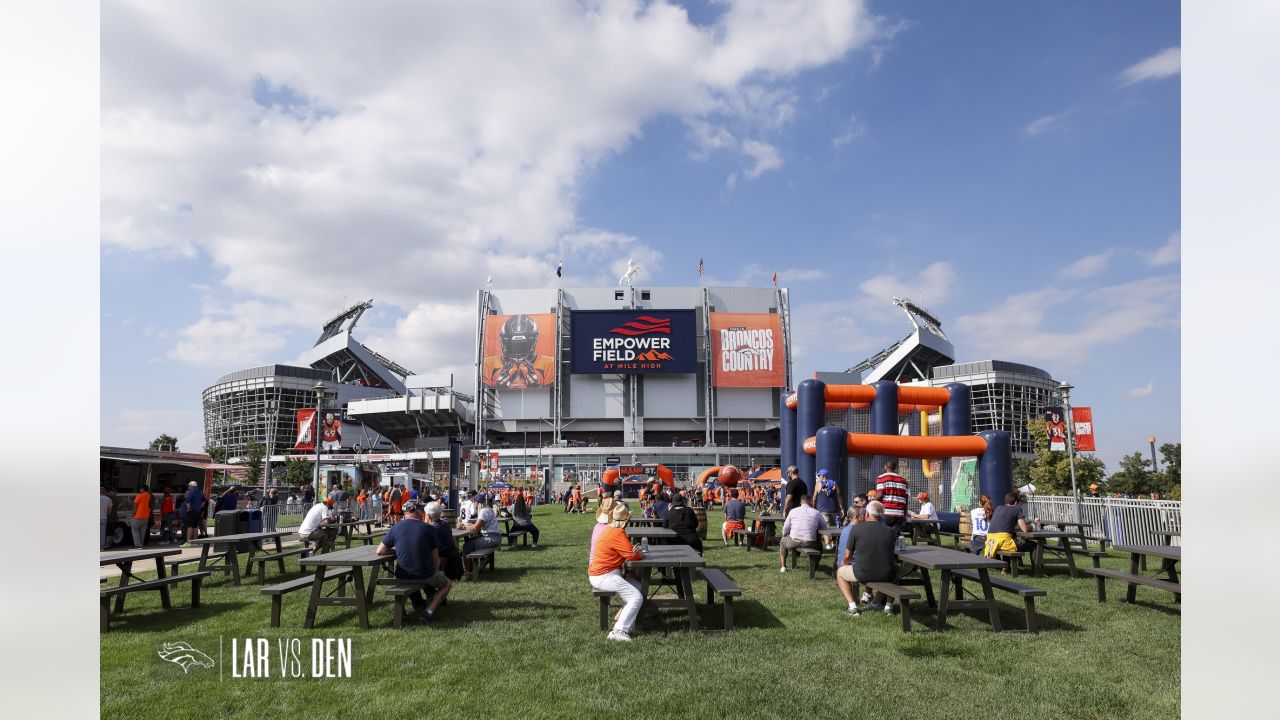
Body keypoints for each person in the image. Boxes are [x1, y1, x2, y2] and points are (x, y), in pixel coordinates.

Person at [377, 499, 452, 621]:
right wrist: (437, 571)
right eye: (421, 509)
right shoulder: (428, 528)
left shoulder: (396, 528)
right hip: (425, 574)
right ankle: (428, 611)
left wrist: (397, 552)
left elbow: (380, 551)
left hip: (402, 575)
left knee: (408, 582)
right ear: (416, 511)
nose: (423, 512)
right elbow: (436, 558)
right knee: (447, 584)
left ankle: (408, 610)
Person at [587, 502, 646, 642]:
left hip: (603, 573)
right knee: (636, 597)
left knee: (637, 585)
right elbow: (631, 556)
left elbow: (625, 550)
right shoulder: (617, 532)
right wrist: (641, 554)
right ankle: (618, 631)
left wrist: (632, 550)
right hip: (604, 576)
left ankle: (627, 622)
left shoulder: (610, 529)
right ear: (626, 521)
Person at [836, 500, 899, 616]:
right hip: (885, 574)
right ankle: (886, 606)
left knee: (840, 573)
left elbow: (847, 556)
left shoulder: (856, 529)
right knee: (895, 573)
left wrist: (843, 564)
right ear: (882, 515)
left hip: (862, 573)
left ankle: (853, 607)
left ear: (867, 514)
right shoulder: (890, 532)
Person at [481, 314, 555, 388]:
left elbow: (551, 392)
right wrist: (496, 388)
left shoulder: (549, 364)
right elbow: (485, 393)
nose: (518, 350)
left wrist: (536, 386)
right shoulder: (488, 365)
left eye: (523, 346)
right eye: (512, 345)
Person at [778, 494, 827, 573]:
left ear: (800, 502)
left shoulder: (792, 511)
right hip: (810, 542)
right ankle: (815, 566)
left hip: (794, 541)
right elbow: (824, 527)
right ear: (810, 501)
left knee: (783, 541)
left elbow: (785, 529)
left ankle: (783, 566)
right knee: (819, 546)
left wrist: (785, 535)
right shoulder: (817, 513)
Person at [983, 492, 1036, 561]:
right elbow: (1025, 529)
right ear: (1016, 502)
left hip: (990, 541)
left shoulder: (998, 508)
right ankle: (1037, 569)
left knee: (1011, 539)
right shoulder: (1016, 509)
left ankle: (1006, 568)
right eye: (1020, 503)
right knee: (1034, 546)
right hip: (1003, 542)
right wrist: (1032, 526)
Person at [460, 496, 503, 574]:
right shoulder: (488, 509)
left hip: (491, 538)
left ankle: (468, 570)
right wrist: (467, 526)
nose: (473, 504)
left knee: (467, 545)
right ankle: (481, 561)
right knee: (470, 541)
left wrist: (464, 527)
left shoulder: (484, 511)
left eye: (474, 502)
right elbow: (478, 525)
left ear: (478, 503)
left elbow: (476, 527)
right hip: (494, 537)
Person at [424, 502, 465, 581]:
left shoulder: (431, 529)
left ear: (428, 516)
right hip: (453, 556)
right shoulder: (445, 524)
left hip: (442, 559)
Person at [813, 469, 844, 549]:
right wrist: (842, 508)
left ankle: (827, 544)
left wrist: (813, 508)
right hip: (834, 510)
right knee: (835, 527)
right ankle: (833, 543)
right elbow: (839, 497)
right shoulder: (834, 484)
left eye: (819, 475)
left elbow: (814, 498)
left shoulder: (818, 484)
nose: (818, 477)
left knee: (825, 527)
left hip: (823, 510)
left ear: (823, 476)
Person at [875, 460, 909, 534]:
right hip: (900, 513)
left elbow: (880, 494)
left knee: (883, 536)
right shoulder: (903, 480)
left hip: (887, 512)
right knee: (894, 537)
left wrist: (872, 503)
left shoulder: (881, 478)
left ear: (885, 467)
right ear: (894, 468)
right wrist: (904, 514)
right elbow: (906, 498)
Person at [181, 481, 205, 546]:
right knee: (196, 527)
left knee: (190, 526)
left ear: (192, 486)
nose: (188, 487)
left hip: (191, 512)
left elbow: (188, 500)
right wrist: (199, 507)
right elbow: (204, 501)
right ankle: (195, 542)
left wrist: (188, 508)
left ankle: (188, 542)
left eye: (189, 486)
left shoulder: (191, 492)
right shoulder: (200, 492)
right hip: (198, 512)